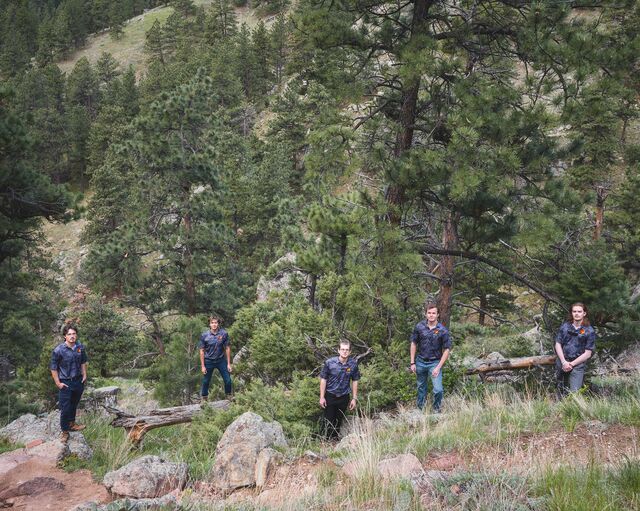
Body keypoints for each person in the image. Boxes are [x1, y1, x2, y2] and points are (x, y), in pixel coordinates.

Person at [410, 303, 451, 412]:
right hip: (420, 362)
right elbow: (414, 343)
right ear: (426, 314)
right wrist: (412, 362)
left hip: (435, 363)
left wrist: (438, 367)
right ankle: (421, 410)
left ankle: (436, 410)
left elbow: (447, 350)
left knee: (438, 390)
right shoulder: (419, 327)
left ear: (438, 315)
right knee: (421, 388)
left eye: (434, 313)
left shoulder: (443, 330)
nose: (431, 315)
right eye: (429, 313)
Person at [50, 324, 88, 442]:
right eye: (69, 334)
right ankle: (65, 431)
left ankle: (72, 424)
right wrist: (58, 383)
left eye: (74, 334)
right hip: (65, 383)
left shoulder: (80, 347)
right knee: (65, 408)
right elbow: (53, 368)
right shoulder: (58, 350)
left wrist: (84, 375)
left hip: (78, 381)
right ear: (64, 336)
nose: (72, 336)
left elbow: (83, 362)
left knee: (74, 404)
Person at [319, 340, 360, 440]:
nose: (344, 352)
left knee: (339, 420)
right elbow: (323, 379)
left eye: (347, 350)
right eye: (342, 349)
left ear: (350, 352)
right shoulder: (329, 363)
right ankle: (324, 441)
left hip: (344, 397)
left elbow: (355, 380)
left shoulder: (353, 364)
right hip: (330, 395)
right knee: (328, 420)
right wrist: (322, 397)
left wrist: (354, 398)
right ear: (338, 350)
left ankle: (335, 440)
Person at [555, 302, 595, 397]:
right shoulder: (565, 327)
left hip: (578, 365)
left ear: (584, 313)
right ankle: (560, 411)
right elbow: (558, 344)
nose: (577, 313)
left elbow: (588, 353)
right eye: (574, 311)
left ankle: (574, 410)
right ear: (571, 313)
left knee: (575, 394)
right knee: (561, 391)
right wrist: (564, 362)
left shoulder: (589, 331)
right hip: (562, 362)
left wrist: (572, 364)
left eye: (579, 311)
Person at [199, 315, 232, 401]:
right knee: (206, 381)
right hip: (208, 361)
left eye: (216, 323)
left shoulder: (223, 334)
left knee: (228, 380)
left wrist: (228, 364)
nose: (214, 324)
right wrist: (203, 366)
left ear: (218, 324)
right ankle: (204, 399)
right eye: (212, 323)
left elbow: (227, 348)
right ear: (209, 324)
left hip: (221, 360)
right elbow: (202, 351)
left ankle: (228, 397)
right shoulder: (204, 335)